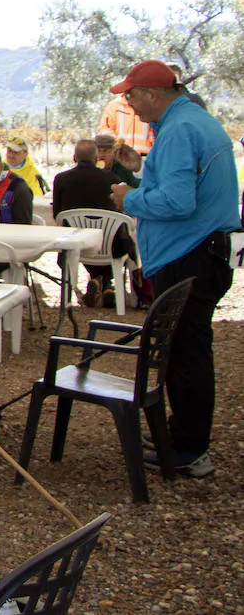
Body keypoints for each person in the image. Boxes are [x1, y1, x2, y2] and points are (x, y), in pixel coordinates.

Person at [110, 61, 239, 478]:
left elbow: (179, 203)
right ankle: (183, 434)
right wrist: (143, 167)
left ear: (152, 93)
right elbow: (182, 183)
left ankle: (190, 450)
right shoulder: (187, 123)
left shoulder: (180, 130)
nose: (127, 103)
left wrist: (130, 198)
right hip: (199, 253)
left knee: (186, 353)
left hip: (191, 254)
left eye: (130, 95)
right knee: (184, 349)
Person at [52, 138, 137, 309]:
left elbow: (57, 215)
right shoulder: (111, 178)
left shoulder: (61, 179)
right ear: (97, 157)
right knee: (116, 237)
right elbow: (120, 211)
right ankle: (105, 283)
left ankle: (98, 283)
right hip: (110, 246)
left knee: (84, 238)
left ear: (74, 157)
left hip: (76, 245)